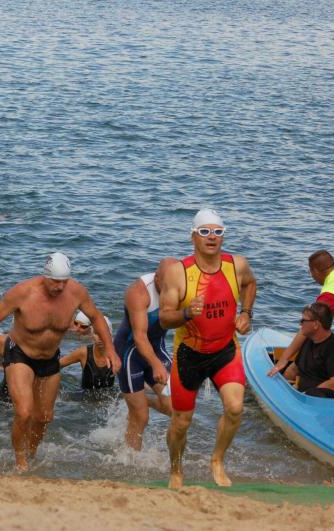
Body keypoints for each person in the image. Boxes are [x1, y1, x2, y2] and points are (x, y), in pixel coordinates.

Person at [0, 252, 120, 470]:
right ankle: (20, 461)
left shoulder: (77, 293)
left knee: (44, 417)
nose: (60, 287)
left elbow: (96, 318)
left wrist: (111, 350)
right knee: (24, 412)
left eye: (64, 281)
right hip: (20, 354)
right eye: (55, 281)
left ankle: (31, 453)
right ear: (45, 276)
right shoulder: (22, 293)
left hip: (50, 358)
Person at [159, 208, 257, 489]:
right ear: (193, 236)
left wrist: (246, 313)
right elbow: (164, 318)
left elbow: (250, 284)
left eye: (217, 232)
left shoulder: (237, 265)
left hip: (225, 350)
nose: (211, 237)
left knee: (235, 408)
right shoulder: (178, 272)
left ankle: (217, 460)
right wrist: (186, 313)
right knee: (181, 422)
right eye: (204, 232)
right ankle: (176, 469)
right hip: (189, 355)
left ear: (223, 236)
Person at [116, 258, 177, 450]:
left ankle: (145, 401)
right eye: (165, 287)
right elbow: (140, 337)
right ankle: (131, 460)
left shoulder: (180, 287)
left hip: (157, 348)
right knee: (141, 418)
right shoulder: (138, 292)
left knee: (176, 408)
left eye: (173, 287)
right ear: (157, 278)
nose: (170, 293)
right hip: (129, 354)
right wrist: (156, 365)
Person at [278, 250, 334, 364]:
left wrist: (284, 358)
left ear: (315, 271)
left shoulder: (332, 294)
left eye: (310, 273)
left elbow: (309, 325)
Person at [268, 303, 334, 400]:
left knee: (313, 393)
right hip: (306, 393)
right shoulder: (308, 340)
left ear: (316, 325)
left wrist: (306, 395)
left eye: (303, 321)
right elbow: (294, 369)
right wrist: (281, 387)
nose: (300, 324)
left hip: (331, 398)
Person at [59, 312, 116, 391]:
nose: (100, 338)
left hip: (110, 399)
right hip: (83, 397)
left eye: (104, 333)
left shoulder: (116, 354)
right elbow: (56, 365)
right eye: (97, 333)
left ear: (110, 335)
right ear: (92, 335)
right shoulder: (84, 353)